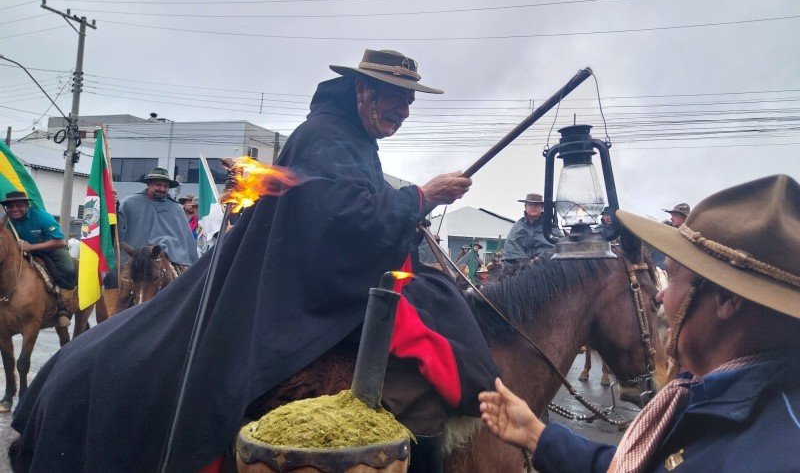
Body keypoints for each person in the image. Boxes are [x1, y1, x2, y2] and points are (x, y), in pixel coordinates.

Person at [10, 49, 499, 472]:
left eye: (410, 101)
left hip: (327, 275)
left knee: (442, 301)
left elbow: (355, 212)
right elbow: (340, 220)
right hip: (303, 291)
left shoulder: (355, 141)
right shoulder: (328, 137)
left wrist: (411, 210)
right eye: (395, 98)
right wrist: (421, 197)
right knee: (439, 340)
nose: (404, 110)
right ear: (363, 91)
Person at [478, 175, 800, 472]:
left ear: (728, 299)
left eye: (671, 278)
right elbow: (636, 466)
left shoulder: (764, 457)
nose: (660, 297)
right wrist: (537, 436)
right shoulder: (728, 405)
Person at [1, 191, 76, 322]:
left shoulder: (41, 216)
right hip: (23, 252)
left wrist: (31, 247)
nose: (14, 209)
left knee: (68, 270)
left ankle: (63, 308)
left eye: (19, 205)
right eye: (10, 207)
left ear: (26, 205)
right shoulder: (7, 221)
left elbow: (60, 241)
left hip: (52, 249)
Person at [117, 167, 199, 270]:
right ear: (149, 184)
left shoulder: (176, 208)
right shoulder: (128, 203)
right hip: (134, 260)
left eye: (166, 186)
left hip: (169, 261)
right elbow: (116, 230)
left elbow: (186, 239)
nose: (163, 189)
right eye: (158, 185)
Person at [502, 192, 554, 273]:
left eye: (536, 205)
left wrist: (540, 260)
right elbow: (511, 252)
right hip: (520, 271)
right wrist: (527, 263)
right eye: (530, 204)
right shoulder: (517, 226)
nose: (533, 207)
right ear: (525, 207)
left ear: (542, 207)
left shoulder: (551, 226)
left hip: (545, 269)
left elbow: (557, 248)